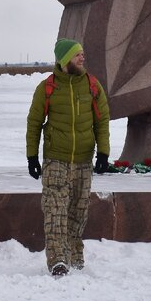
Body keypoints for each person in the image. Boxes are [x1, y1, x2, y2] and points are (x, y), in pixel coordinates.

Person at [26, 38, 111, 277]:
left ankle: (74, 253)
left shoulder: (92, 85)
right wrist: (32, 157)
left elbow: (101, 120)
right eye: (77, 55)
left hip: (84, 160)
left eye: (82, 54)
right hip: (56, 159)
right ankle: (57, 260)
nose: (82, 58)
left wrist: (103, 152)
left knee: (78, 212)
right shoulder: (48, 88)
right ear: (65, 61)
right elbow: (34, 123)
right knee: (55, 210)